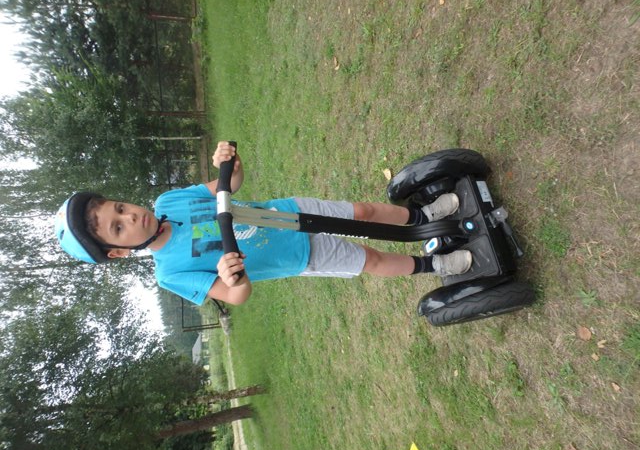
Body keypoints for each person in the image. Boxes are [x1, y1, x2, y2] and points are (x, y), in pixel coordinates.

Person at [55, 141, 472, 306]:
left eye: (119, 208)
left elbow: (227, 186)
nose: (130, 216)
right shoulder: (170, 273)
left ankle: (424, 216)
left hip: (288, 211)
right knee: (371, 259)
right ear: (118, 251)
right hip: (298, 254)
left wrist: (230, 165)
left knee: (362, 213)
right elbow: (235, 296)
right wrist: (231, 277)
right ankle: (435, 265)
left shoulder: (169, 201)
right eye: (118, 228)